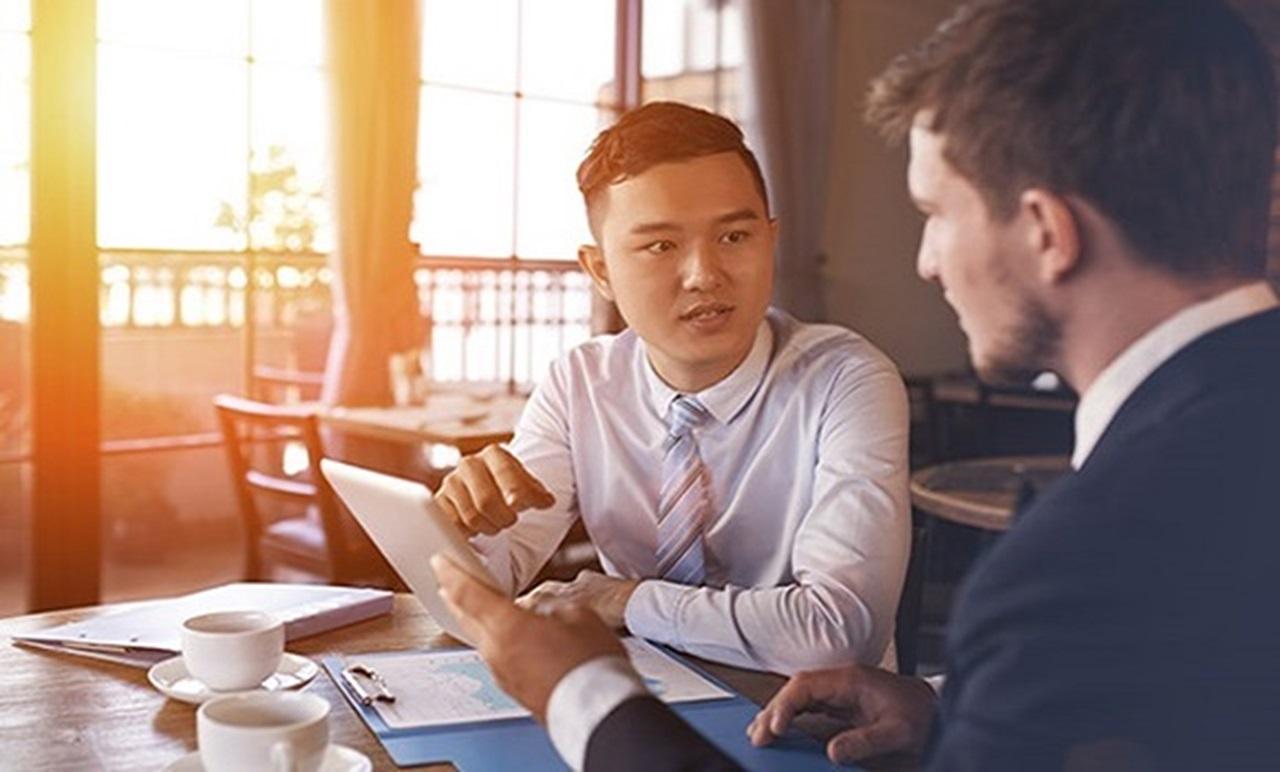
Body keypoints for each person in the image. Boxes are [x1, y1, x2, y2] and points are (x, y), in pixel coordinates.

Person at [434, 0, 1280, 770]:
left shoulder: (1065, 563)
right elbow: (1195, 698)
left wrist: (584, 692)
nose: (925, 261)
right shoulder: (1213, 464)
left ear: (1046, 233)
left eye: (935, 212)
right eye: (658, 246)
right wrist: (941, 705)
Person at [431, 101, 912, 680]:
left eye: (735, 235)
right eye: (660, 246)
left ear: (771, 239)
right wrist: (461, 531)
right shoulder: (580, 383)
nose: (705, 275)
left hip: (817, 725)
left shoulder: (847, 381)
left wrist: (625, 600)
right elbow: (493, 577)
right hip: (644, 705)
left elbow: (837, 634)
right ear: (601, 270)